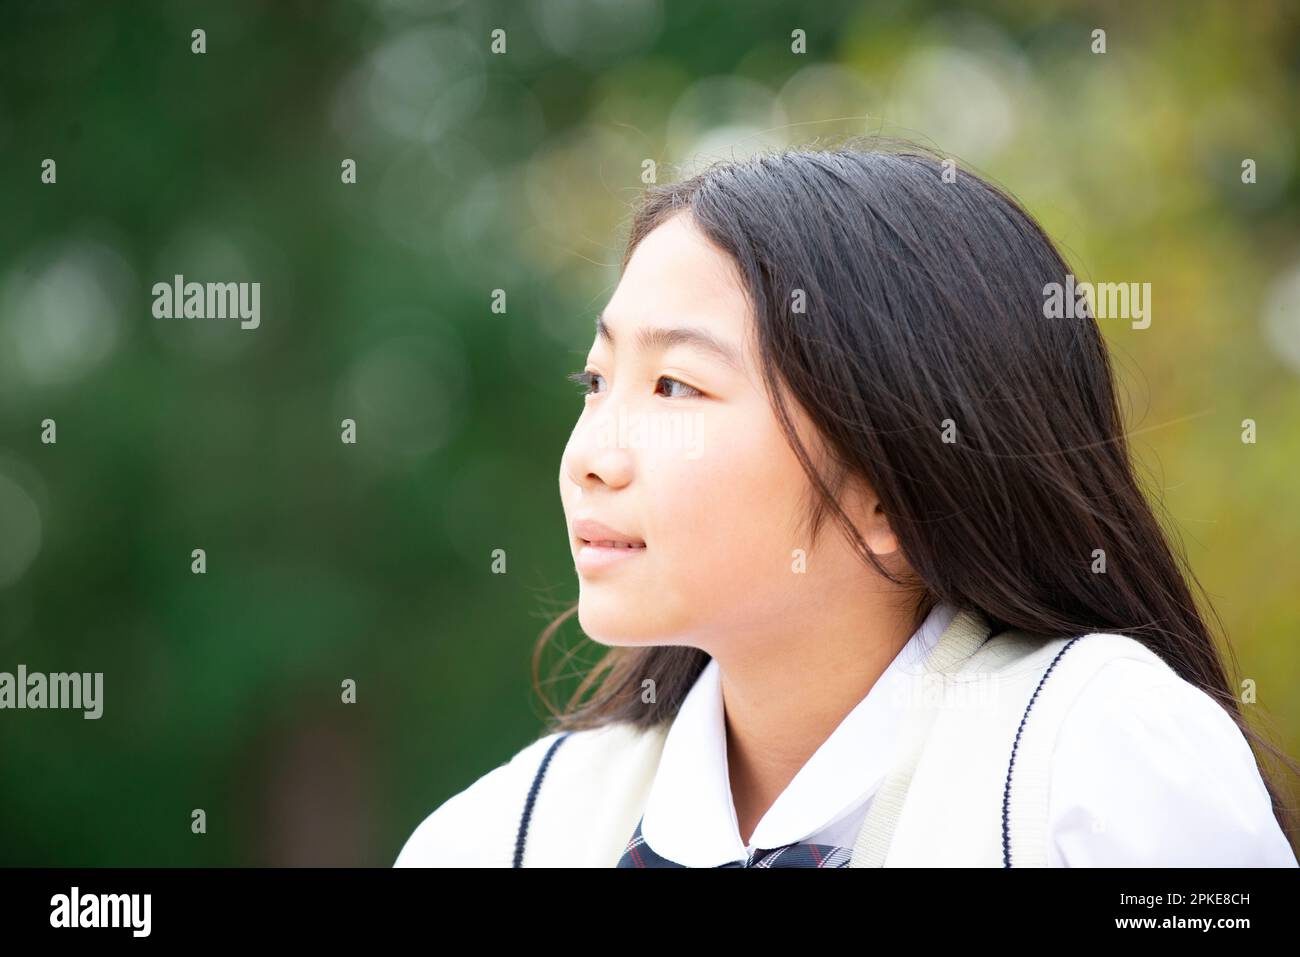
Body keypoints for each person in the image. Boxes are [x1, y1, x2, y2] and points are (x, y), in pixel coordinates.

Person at [395, 143, 1299, 867]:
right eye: (595, 380)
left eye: (674, 386)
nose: (591, 457)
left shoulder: (1095, 762)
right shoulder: (506, 834)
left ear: (891, 489)